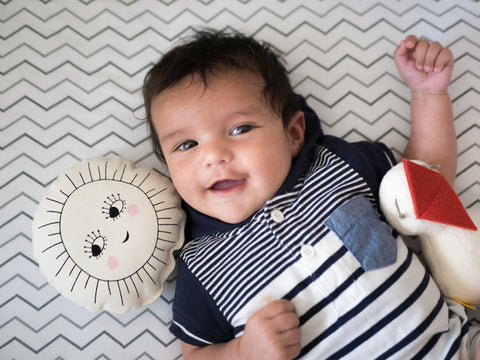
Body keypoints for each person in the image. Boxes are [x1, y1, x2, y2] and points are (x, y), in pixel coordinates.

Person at [143, 29, 480, 359]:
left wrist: (428, 96)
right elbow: (195, 354)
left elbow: (429, 181)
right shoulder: (202, 264)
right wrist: (243, 352)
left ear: (292, 133)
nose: (213, 156)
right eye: (186, 145)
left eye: (239, 129)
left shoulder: (338, 166)